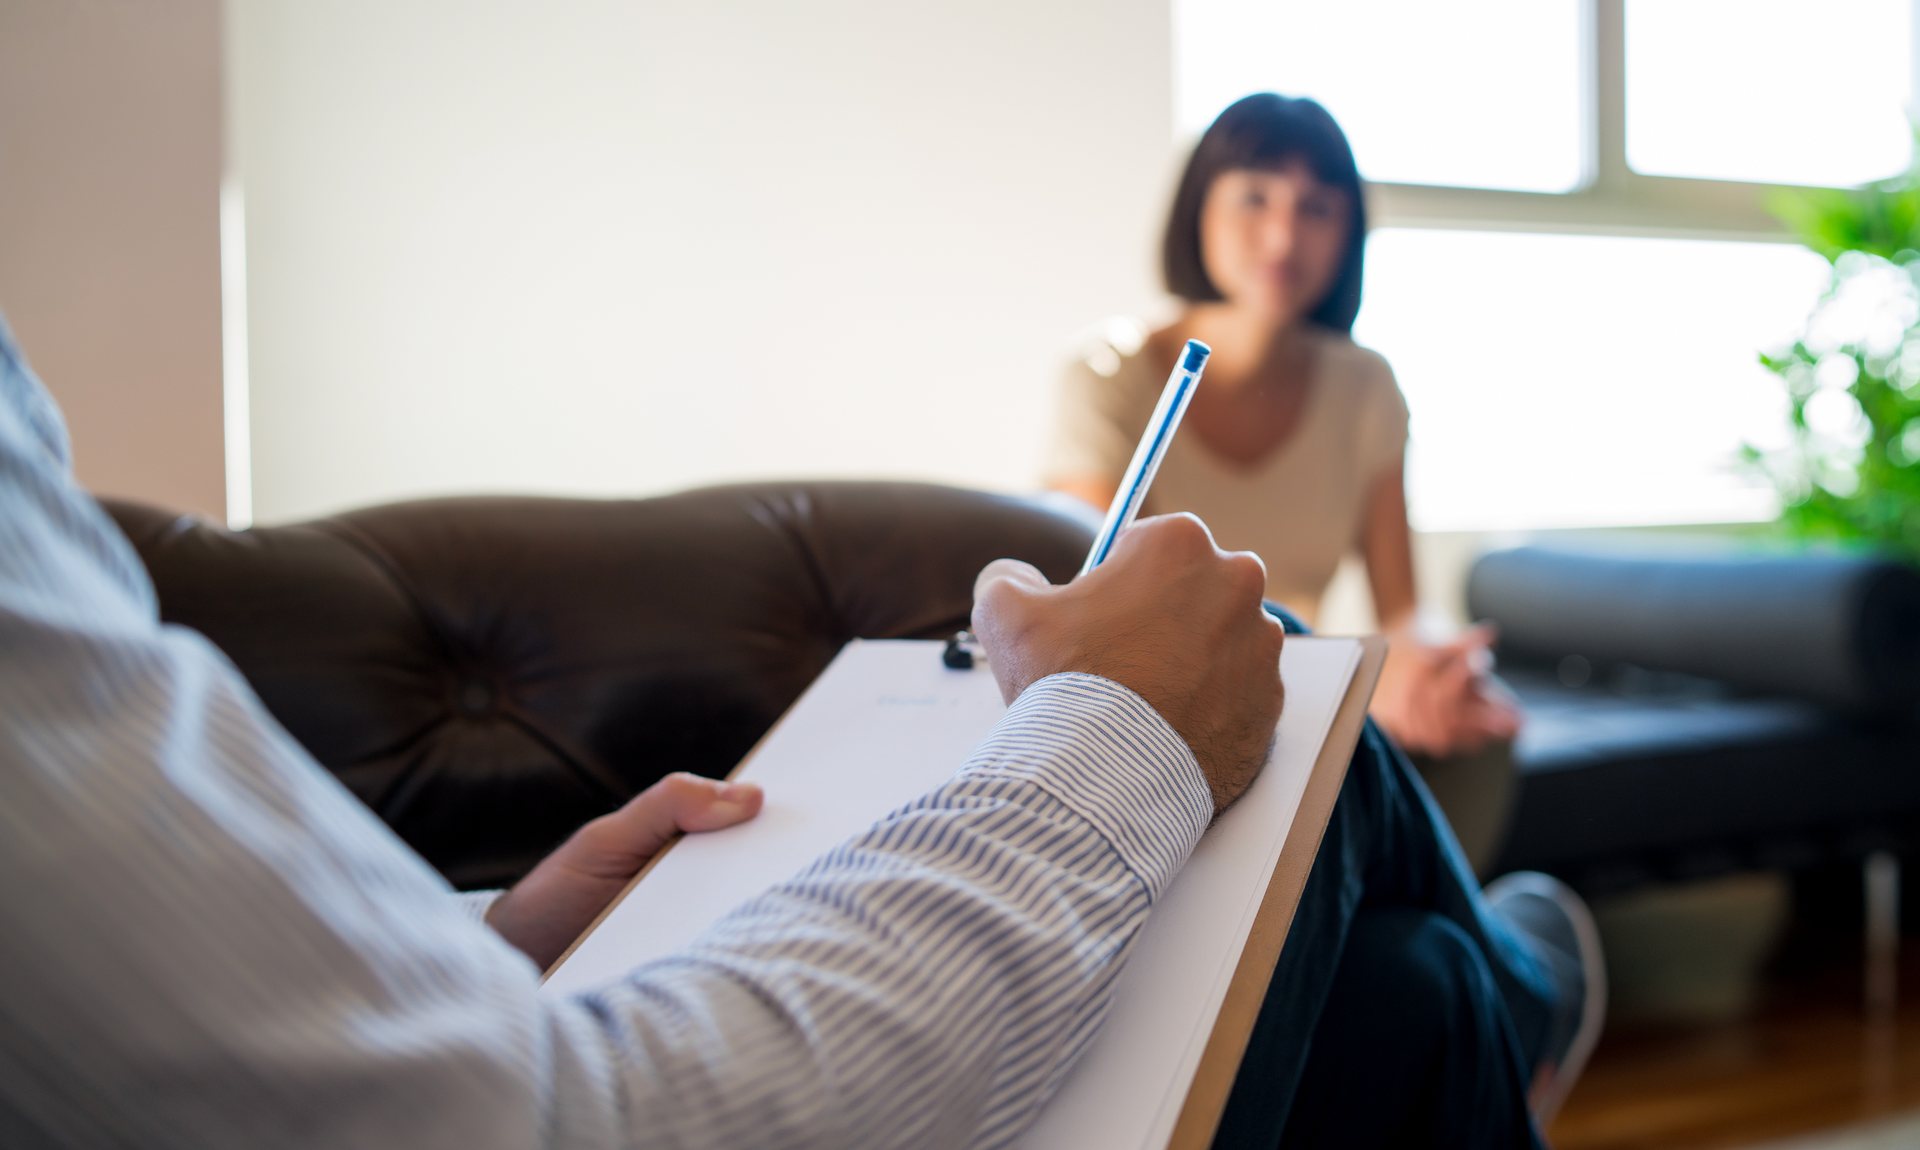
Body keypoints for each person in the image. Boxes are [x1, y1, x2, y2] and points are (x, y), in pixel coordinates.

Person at [0, 312, 1595, 1148]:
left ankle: (1505, 1002)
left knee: (1416, 992)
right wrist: (1120, 731)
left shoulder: (1359, 385)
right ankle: (1532, 1002)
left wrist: (484, 942)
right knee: (1359, 811)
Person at [1046, 92, 1524, 869]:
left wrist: (1429, 661)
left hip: (1302, 700)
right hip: (1165, 711)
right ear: (1199, 207)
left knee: (1470, 722)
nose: (1283, 234)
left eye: (1318, 207)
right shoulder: (1109, 374)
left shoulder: (1367, 385)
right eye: (1255, 197)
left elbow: (1401, 606)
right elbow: (1102, 610)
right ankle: (1514, 973)